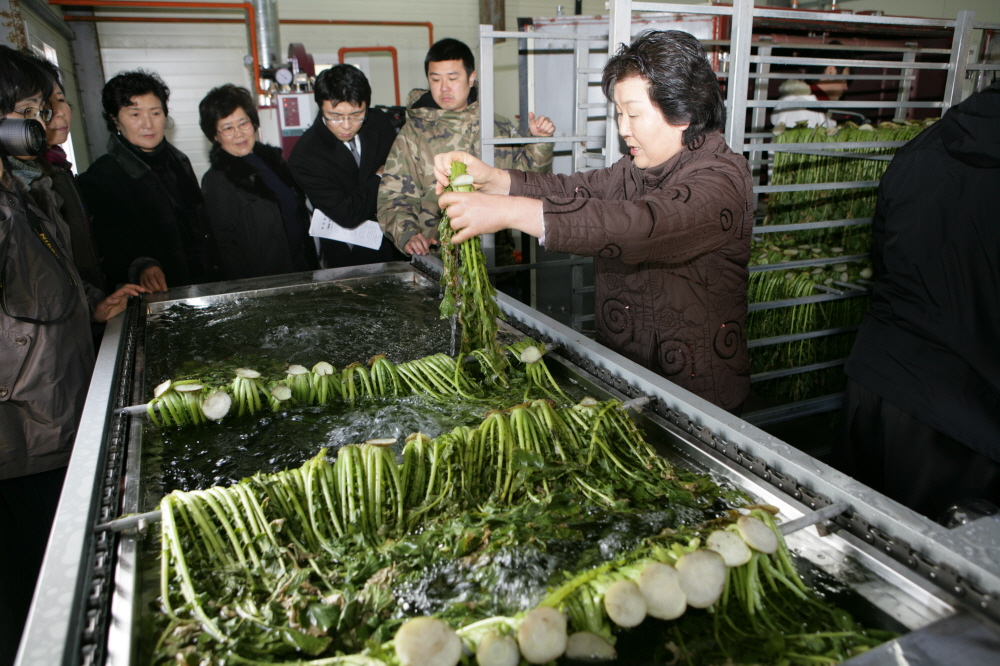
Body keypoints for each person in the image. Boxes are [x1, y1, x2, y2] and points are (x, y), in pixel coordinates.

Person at [434, 30, 753, 413]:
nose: (623, 128)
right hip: (626, 377)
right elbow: (574, 190)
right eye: (619, 113)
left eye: (633, 114)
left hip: (697, 397)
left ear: (682, 111)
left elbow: (640, 227)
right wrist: (496, 181)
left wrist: (507, 213)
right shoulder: (635, 170)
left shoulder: (722, 180)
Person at [0, 45, 145, 666]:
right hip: (20, 431)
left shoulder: (30, 190)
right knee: (30, 592)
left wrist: (94, 303)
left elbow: (53, 279)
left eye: (45, 105)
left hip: (58, 402)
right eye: (31, 109)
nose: (44, 121)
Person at [833, 81, 1000, 520]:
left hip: (878, 385)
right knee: (936, 575)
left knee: (857, 549)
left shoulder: (922, 147)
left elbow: (884, 260)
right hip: (965, 421)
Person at [377, 37, 556, 257]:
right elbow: (394, 197)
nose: (444, 88)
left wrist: (538, 143)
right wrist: (407, 235)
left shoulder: (498, 128)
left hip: (495, 260)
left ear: (471, 78)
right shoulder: (413, 134)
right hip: (436, 261)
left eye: (452, 78)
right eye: (435, 79)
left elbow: (527, 186)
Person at [79, 70, 223, 291]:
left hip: (203, 287)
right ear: (115, 119)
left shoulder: (179, 162)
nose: (148, 124)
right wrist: (141, 266)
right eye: (135, 114)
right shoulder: (101, 177)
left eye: (155, 113)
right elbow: (108, 246)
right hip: (156, 297)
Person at [199, 84, 318, 279]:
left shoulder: (272, 162)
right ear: (214, 136)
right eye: (227, 128)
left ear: (253, 123)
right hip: (263, 283)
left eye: (243, 123)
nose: (239, 133)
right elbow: (225, 247)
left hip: (300, 269)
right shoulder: (216, 181)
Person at [288, 64, 399, 268]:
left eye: (357, 115)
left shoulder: (378, 123)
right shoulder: (305, 156)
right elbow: (348, 214)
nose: (347, 125)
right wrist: (379, 177)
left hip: (394, 241)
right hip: (349, 257)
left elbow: (401, 176)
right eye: (335, 117)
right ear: (321, 107)